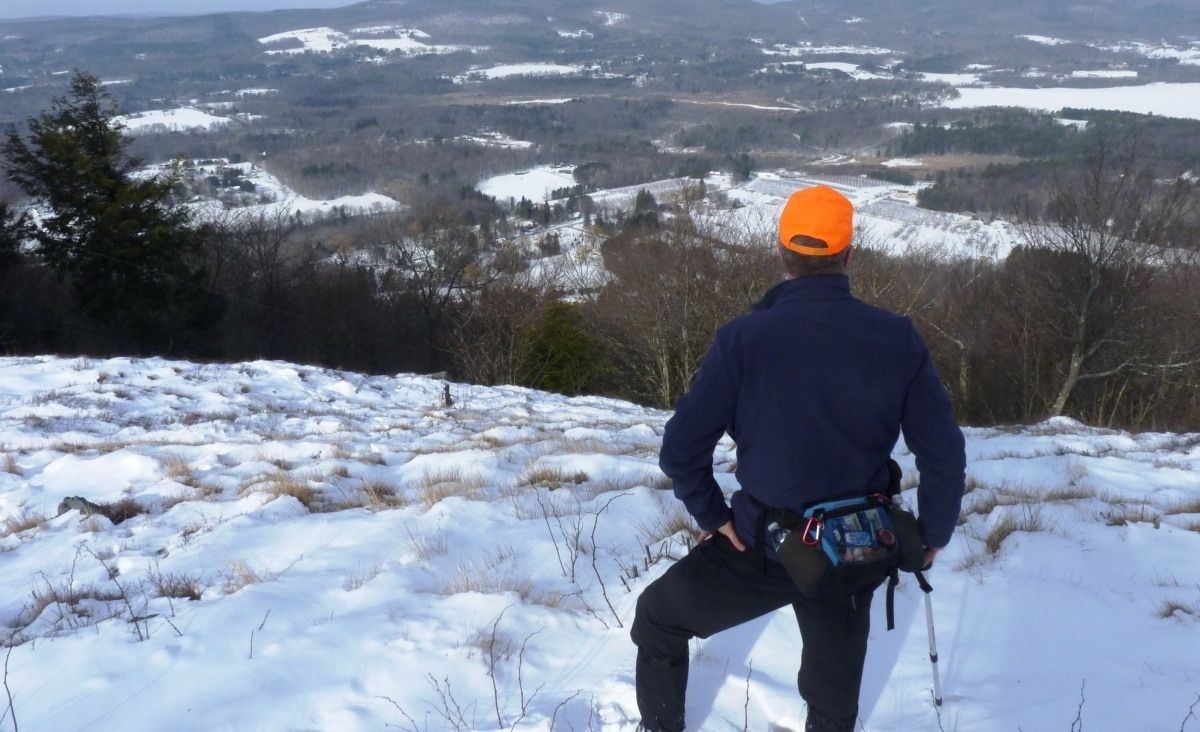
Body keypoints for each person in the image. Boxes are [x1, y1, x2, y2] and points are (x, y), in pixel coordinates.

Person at [630, 184, 966, 732]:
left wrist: (714, 517)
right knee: (833, 707)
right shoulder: (896, 339)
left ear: (782, 253)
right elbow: (944, 451)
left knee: (659, 620)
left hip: (760, 544)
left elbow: (681, 448)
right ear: (849, 255)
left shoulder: (744, 339)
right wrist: (933, 533)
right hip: (854, 547)